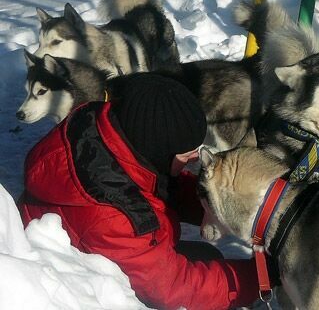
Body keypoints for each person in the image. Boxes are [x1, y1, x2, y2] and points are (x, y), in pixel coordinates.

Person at [18, 73, 274, 310]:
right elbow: (173, 288)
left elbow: (163, 187)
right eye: (187, 154)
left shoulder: (111, 131)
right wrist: (263, 277)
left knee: (209, 258)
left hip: (111, 244)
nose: (195, 158)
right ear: (159, 152)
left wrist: (228, 207)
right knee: (209, 277)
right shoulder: (113, 213)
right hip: (83, 285)